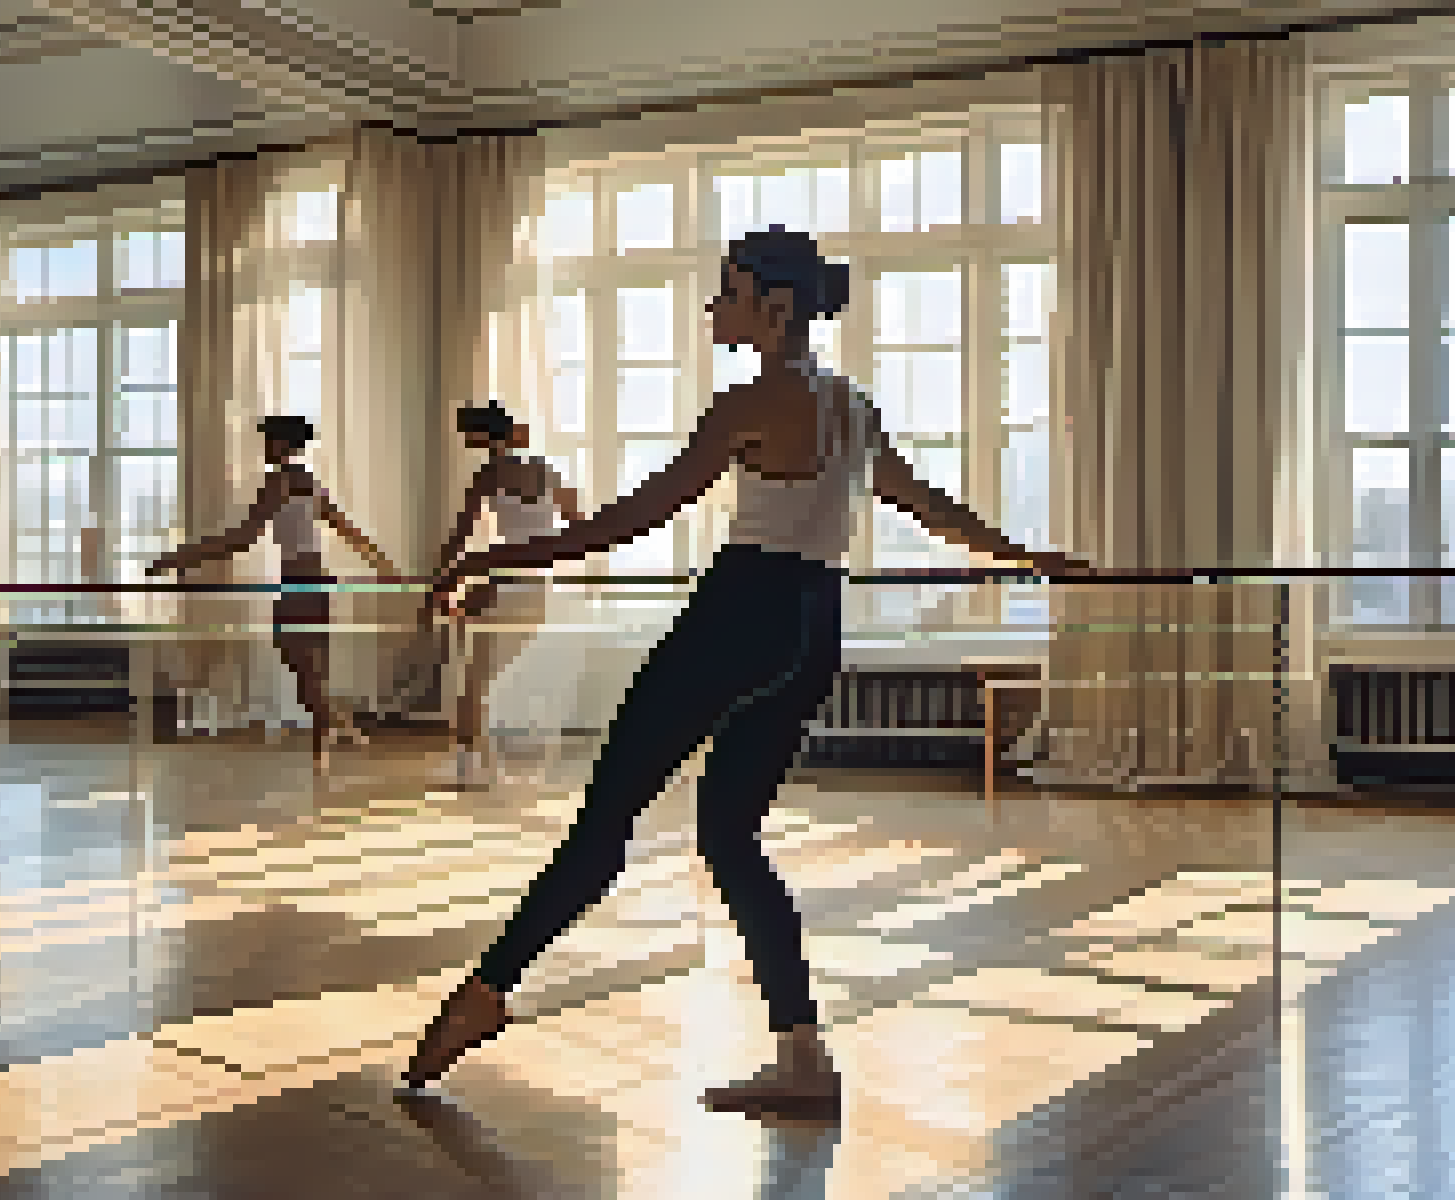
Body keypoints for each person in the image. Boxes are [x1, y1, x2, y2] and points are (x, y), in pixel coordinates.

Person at [400, 227, 1080, 1119]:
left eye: (728, 291)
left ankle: (487, 993)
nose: (713, 308)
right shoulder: (855, 407)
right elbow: (930, 506)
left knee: (607, 816)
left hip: (740, 611)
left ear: (777, 305)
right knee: (728, 837)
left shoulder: (746, 406)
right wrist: (1022, 555)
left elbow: (627, 520)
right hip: (812, 626)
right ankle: (803, 1051)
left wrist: (489, 564)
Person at [147, 415, 398, 767]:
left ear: (282, 444)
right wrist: (382, 563)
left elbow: (240, 539)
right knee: (308, 669)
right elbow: (346, 529)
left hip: (301, 584)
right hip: (313, 584)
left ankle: (330, 739)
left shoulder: (278, 482)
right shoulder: (307, 481)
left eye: (268, 441)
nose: (264, 448)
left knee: (305, 668)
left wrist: (179, 557)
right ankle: (337, 732)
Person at [432, 405, 582, 776]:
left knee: (476, 678)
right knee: (492, 678)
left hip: (503, 583)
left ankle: (468, 763)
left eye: (469, 434)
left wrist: (438, 579)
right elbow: (578, 525)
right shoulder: (546, 471)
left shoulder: (488, 474)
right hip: (535, 587)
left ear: (484, 436)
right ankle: (484, 760)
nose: (465, 441)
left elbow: (461, 535)